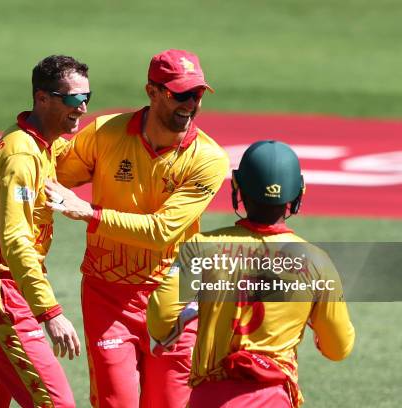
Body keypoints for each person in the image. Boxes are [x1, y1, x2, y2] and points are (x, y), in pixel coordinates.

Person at [0, 49, 229, 407]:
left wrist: (87, 213)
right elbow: (29, 180)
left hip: (174, 296)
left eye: (197, 93)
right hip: (98, 294)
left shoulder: (209, 158)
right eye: (181, 94)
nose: (191, 103)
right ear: (153, 91)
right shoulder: (103, 134)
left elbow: (162, 230)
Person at [146, 140, 356, 408]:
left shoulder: (201, 247)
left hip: (210, 399)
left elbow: (160, 318)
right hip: (273, 398)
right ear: (298, 192)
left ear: (238, 187)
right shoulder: (316, 262)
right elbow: (338, 348)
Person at [0, 55, 91, 408]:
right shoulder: (23, 155)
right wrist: (51, 313)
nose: (83, 107)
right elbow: (16, 239)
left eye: (88, 97)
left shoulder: (39, 142)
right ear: (42, 98)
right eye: (73, 99)